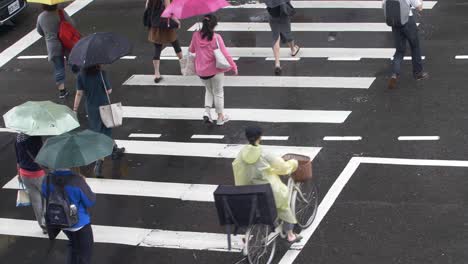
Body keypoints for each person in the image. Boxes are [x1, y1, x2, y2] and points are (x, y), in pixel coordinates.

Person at [232, 126, 302, 243]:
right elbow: (282, 167)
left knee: (259, 208)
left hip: (249, 190)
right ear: (260, 137)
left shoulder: (242, 153)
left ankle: (249, 233)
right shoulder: (264, 152)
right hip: (268, 191)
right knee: (283, 204)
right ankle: (290, 234)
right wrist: (293, 163)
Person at [72, 65, 125, 178]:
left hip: (91, 109)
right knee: (104, 134)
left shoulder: (81, 75)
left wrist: (75, 109)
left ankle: (115, 149)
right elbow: (109, 90)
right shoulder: (101, 73)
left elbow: (79, 93)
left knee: (100, 132)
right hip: (104, 107)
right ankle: (99, 164)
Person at [189, 14, 238, 126]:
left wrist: (196, 37)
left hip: (201, 71)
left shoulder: (196, 35)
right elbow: (225, 54)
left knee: (209, 90)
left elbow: (191, 49)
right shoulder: (216, 37)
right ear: (214, 25)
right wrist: (233, 66)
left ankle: (207, 112)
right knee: (218, 92)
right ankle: (220, 117)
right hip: (215, 70)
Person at [42, 168, 95, 264]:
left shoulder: (47, 179)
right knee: (85, 254)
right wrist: (84, 183)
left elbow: (46, 195)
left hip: (61, 221)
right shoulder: (77, 180)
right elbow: (90, 201)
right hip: (80, 223)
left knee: (73, 245)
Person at [386, 0, 429, 89]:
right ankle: (418, 73)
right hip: (407, 21)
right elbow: (419, 7)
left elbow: (384, 5)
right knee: (415, 47)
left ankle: (394, 74)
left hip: (395, 22)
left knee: (399, 50)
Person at [36, 4, 74, 99]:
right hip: (66, 42)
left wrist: (49, 35)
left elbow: (40, 31)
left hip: (52, 46)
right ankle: (82, 84)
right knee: (74, 63)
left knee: (58, 68)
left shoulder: (41, 17)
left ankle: (62, 91)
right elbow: (72, 24)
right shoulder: (61, 13)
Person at [14, 133, 47, 234]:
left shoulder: (17, 138)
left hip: (25, 174)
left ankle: (42, 225)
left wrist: (18, 173)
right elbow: (41, 155)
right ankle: (46, 220)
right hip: (38, 174)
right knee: (46, 197)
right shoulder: (35, 137)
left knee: (36, 201)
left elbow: (18, 159)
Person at [146, 0, 183, 83]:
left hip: (155, 26)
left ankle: (156, 73)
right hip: (166, 26)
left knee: (157, 48)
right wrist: (177, 22)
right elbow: (169, 11)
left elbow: (147, 8)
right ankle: (183, 67)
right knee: (175, 44)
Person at [267, 1, 300, 75]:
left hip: (272, 13)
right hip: (283, 12)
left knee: (275, 37)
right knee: (287, 32)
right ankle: (293, 50)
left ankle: (277, 64)